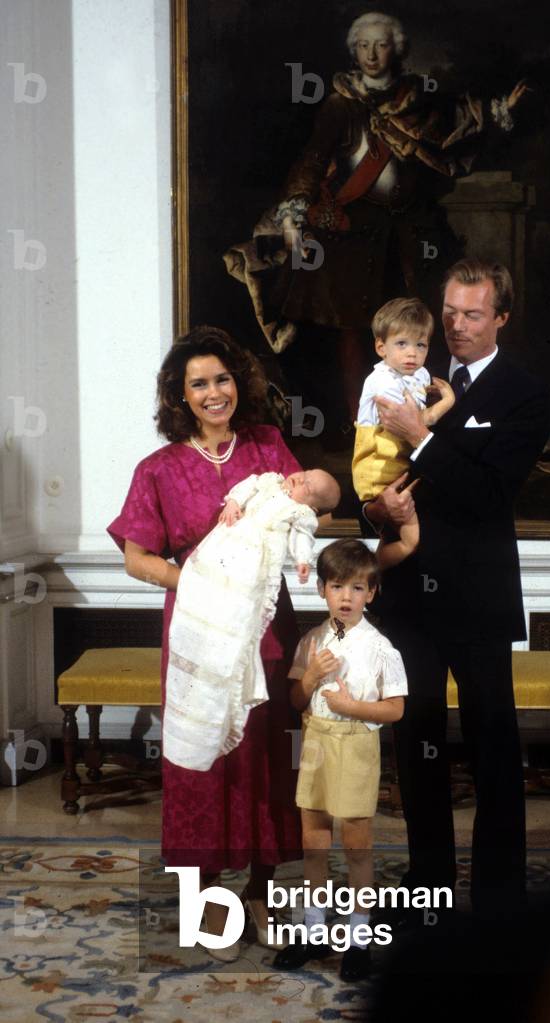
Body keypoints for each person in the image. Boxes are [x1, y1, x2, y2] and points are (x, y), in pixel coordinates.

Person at [225, 11, 529, 428]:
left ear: (396, 50)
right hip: (352, 238)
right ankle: (361, 425)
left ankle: (422, 421)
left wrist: (499, 111)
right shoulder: (339, 104)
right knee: (353, 333)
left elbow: (455, 123)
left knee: (417, 325)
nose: (371, 53)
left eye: (380, 44)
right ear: (355, 51)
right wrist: (296, 207)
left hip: (406, 235)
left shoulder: (414, 99)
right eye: (364, 45)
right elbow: (312, 159)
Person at [107, 326, 306, 960]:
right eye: (199, 384)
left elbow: (308, 511)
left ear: (237, 383)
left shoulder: (269, 445)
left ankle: (260, 889)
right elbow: (138, 558)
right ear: (180, 396)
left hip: (265, 628)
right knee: (201, 760)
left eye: (222, 379)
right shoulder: (158, 468)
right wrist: (197, 583)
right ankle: (206, 901)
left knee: (263, 757)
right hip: (196, 629)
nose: (214, 392)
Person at [363, 258, 550, 917]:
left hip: (479, 597)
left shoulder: (527, 394)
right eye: (448, 311)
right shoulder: (408, 376)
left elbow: (488, 492)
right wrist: (374, 512)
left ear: (501, 316)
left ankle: (499, 901)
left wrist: (421, 437)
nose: (455, 325)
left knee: (492, 747)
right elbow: (370, 473)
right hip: (409, 595)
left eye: (472, 313)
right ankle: (429, 891)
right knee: (416, 749)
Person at [273, 539, 407, 981]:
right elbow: (295, 700)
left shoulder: (382, 648)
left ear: (372, 593)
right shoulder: (310, 642)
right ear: (323, 592)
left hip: (355, 744)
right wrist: (310, 678)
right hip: (315, 742)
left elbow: (395, 710)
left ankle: (359, 939)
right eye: (336, 586)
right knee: (313, 840)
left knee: (355, 846)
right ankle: (313, 931)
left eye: (356, 588)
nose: (346, 597)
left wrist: (354, 708)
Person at [163, 467, 340, 772]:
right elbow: (244, 487)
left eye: (309, 487)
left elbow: (302, 538)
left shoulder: (301, 514)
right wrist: (233, 503)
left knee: (237, 612)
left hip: (251, 561)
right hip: (223, 545)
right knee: (202, 581)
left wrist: (301, 562)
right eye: (305, 473)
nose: (301, 479)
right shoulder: (268, 481)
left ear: (311, 505)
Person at [352, 296, 455, 502]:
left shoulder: (421, 373)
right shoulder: (382, 381)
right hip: (379, 469)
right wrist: (447, 402)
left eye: (420, 345)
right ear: (381, 348)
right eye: (401, 344)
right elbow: (414, 422)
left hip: (403, 461)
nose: (412, 353)